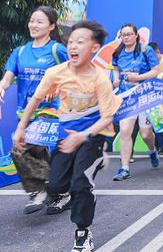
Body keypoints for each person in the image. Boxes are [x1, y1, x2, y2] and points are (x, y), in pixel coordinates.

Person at [13, 20, 122, 252]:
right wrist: (21, 128)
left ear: (94, 47)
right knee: (55, 185)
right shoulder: (56, 72)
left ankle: (83, 232)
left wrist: (83, 136)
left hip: (92, 137)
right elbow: (35, 99)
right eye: (71, 41)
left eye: (80, 42)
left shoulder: (100, 78)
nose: (73, 46)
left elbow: (107, 118)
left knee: (81, 184)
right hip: (65, 136)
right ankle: (70, 187)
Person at [0, 6, 68, 214]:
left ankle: (49, 192)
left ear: (51, 26)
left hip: (51, 111)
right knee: (27, 152)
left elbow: (72, 74)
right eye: (32, 20)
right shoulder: (20, 52)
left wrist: (56, 89)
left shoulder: (57, 50)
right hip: (26, 112)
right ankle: (50, 192)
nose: (33, 25)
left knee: (29, 147)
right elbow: (8, 77)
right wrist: (2, 87)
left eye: (39, 21)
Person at [111, 23, 160, 181]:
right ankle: (124, 168)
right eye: (123, 35)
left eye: (129, 34)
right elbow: (115, 68)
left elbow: (156, 71)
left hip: (144, 96)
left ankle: (152, 150)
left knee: (146, 134)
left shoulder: (146, 50)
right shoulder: (118, 52)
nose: (126, 37)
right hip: (127, 98)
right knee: (125, 131)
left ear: (136, 35)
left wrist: (138, 78)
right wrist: (116, 80)